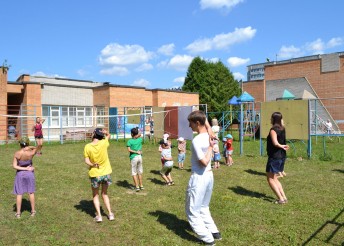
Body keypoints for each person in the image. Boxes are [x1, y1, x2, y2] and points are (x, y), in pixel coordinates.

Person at [185, 110, 221, 245]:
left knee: (192, 210)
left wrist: (210, 148)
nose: (190, 126)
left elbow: (204, 162)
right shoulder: (210, 135)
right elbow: (206, 123)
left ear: (198, 123)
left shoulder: (197, 141)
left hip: (199, 177)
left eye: (191, 123)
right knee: (203, 207)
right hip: (209, 176)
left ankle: (208, 238)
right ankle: (214, 232)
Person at [84, 128, 114, 222]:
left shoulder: (87, 146)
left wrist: (93, 164)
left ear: (93, 134)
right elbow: (109, 136)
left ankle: (99, 216)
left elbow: (86, 160)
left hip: (95, 174)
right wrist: (106, 132)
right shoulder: (104, 143)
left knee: (95, 195)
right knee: (105, 194)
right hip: (106, 174)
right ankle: (110, 214)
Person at [266, 112, 289, 204]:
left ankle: (281, 199)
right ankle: (284, 197)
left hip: (275, 157)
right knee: (274, 177)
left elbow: (275, 143)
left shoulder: (273, 130)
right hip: (281, 156)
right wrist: (283, 147)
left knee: (270, 179)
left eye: (271, 118)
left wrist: (282, 146)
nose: (270, 119)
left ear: (273, 119)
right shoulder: (282, 128)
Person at [12, 137, 37, 218]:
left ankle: (18, 213)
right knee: (31, 192)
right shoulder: (31, 153)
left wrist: (24, 168)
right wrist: (29, 147)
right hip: (30, 173)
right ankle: (33, 211)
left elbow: (14, 166)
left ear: (20, 144)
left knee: (19, 193)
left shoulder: (17, 153)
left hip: (20, 174)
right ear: (28, 144)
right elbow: (37, 147)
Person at [127, 127, 144, 192]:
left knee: (134, 172)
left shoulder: (129, 141)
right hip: (140, 157)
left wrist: (135, 151)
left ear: (131, 134)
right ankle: (141, 185)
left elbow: (129, 150)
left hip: (134, 157)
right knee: (139, 171)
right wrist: (137, 133)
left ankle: (137, 186)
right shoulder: (139, 139)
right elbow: (140, 134)